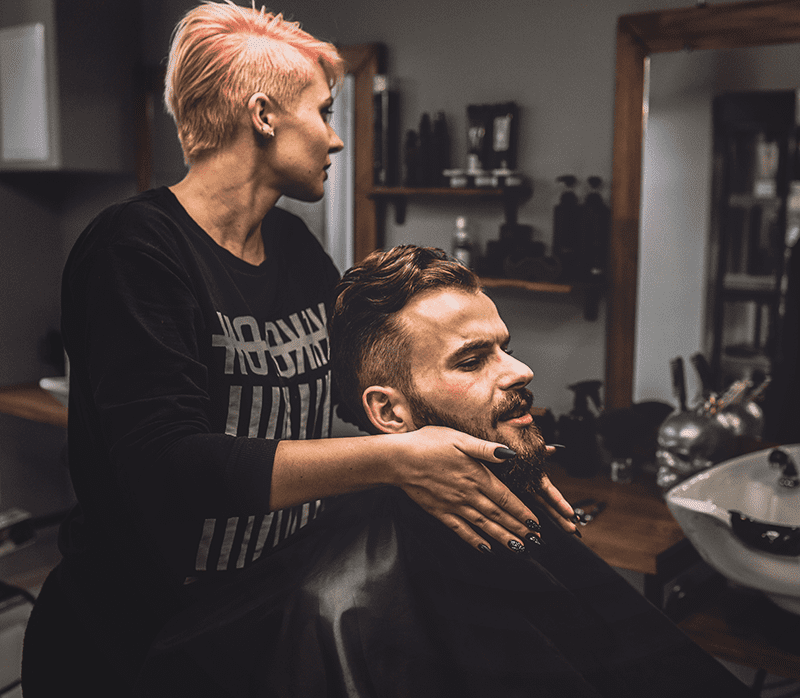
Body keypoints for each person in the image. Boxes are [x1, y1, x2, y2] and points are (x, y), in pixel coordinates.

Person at [21, 4, 574, 695]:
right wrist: (398, 460)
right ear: (263, 115)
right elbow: (164, 466)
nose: (335, 140)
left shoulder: (295, 250)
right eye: (324, 111)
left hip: (254, 617)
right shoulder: (134, 249)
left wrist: (496, 447)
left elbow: (372, 394)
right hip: (130, 643)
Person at [137, 246, 753, 698]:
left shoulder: (507, 509)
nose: (519, 371)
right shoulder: (344, 605)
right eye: (472, 360)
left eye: (504, 347)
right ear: (389, 413)